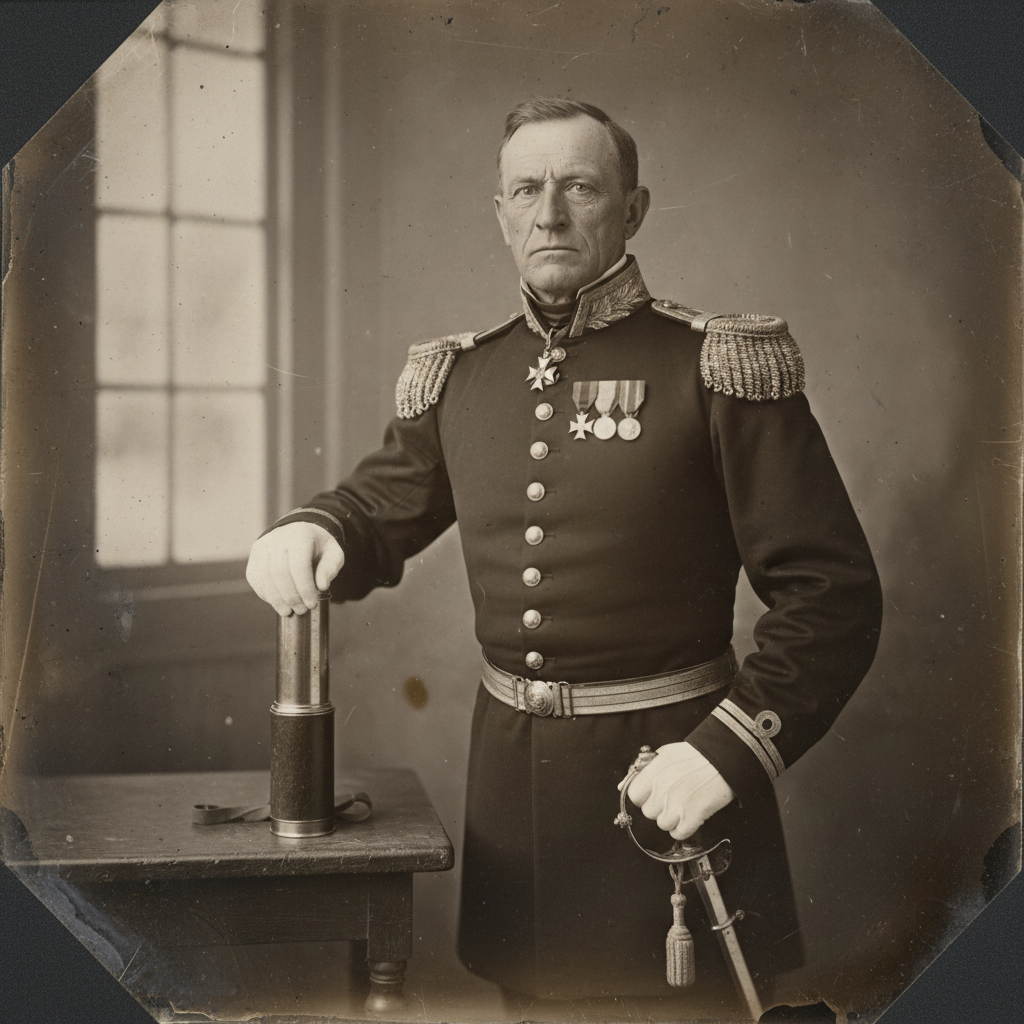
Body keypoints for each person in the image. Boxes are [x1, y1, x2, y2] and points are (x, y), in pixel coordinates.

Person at [246, 98, 883, 1016]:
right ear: (500, 213)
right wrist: (316, 527)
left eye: (580, 186)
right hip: (519, 809)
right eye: (526, 189)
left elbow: (833, 597)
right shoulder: (465, 375)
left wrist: (728, 755)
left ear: (633, 208)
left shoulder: (716, 367)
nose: (549, 213)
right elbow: (381, 506)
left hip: (677, 795)